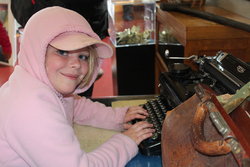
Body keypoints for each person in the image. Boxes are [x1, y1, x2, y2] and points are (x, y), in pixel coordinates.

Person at [0, 6, 155, 166]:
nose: (75, 64)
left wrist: (117, 117)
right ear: (36, 51)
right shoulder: (31, 108)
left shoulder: (36, 83)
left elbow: (76, 106)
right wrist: (127, 141)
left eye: (83, 56)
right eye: (62, 52)